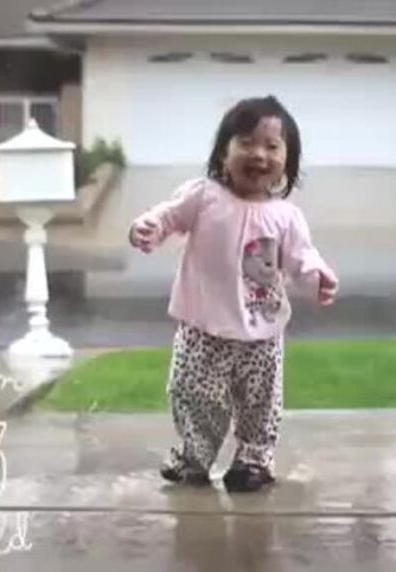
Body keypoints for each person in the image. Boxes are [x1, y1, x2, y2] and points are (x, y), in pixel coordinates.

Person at [128, 95, 338, 493]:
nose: (258, 154)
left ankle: (253, 460)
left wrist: (318, 276)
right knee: (192, 393)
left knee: (261, 401)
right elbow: (168, 215)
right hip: (203, 328)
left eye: (272, 146)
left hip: (261, 332)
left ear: (287, 162)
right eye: (246, 142)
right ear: (223, 152)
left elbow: (301, 258)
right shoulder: (203, 196)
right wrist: (148, 227)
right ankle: (194, 455)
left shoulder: (286, 216)